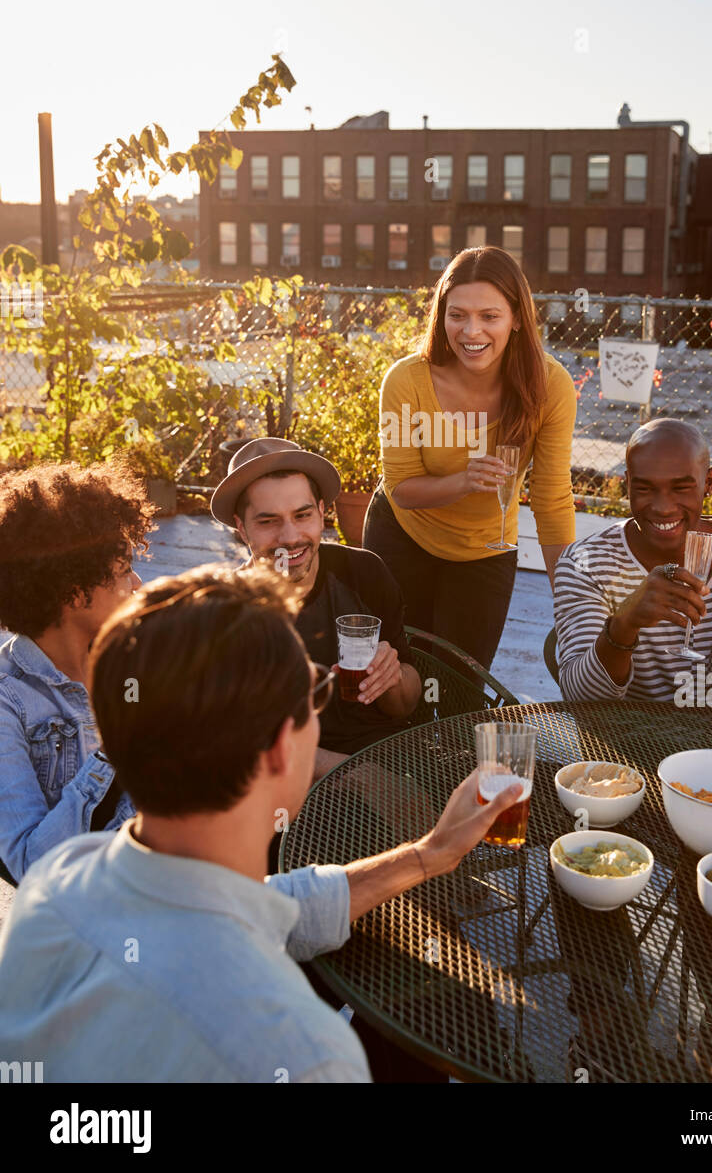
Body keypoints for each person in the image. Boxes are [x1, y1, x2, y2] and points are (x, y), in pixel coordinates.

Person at [0, 564, 524, 1083]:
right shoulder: (306, 1055)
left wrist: (428, 854)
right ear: (279, 749)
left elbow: (250, 909)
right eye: (313, 690)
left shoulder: (63, 878)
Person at [363, 246, 577, 669]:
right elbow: (401, 488)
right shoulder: (406, 380)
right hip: (403, 537)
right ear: (441, 316)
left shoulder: (551, 386)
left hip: (486, 551)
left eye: (489, 316)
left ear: (517, 318)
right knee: (395, 676)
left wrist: (570, 603)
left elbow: (552, 500)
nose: (470, 331)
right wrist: (464, 480)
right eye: (457, 314)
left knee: (461, 687)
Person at [211, 437, 421, 778]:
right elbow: (250, 744)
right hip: (290, 783)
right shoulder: (227, 610)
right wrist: (361, 777)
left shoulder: (364, 572)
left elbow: (407, 705)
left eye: (303, 515)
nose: (290, 537)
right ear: (241, 527)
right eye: (268, 521)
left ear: (323, 512)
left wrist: (392, 676)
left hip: (390, 758)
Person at [554, 419, 712, 709]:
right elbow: (580, 699)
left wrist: (706, 750)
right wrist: (623, 625)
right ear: (628, 485)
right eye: (646, 489)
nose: (663, 507)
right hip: (627, 742)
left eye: (681, 489)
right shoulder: (584, 563)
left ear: (708, 483)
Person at [0, 463, 149, 883]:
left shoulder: (134, 662)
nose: (138, 583)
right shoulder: (8, 700)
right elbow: (31, 867)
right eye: (123, 572)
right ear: (73, 592)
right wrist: (116, 749)